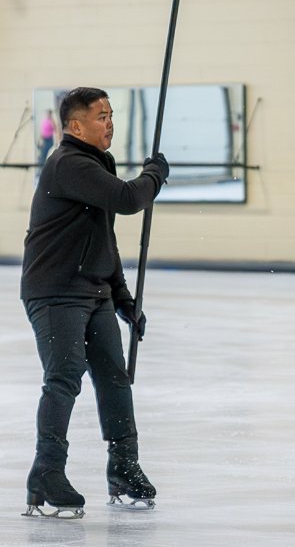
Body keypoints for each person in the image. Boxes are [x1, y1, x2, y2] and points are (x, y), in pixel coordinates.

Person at [21, 87, 170, 517]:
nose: (109, 122)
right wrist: (154, 176)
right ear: (75, 126)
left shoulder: (94, 165)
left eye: (111, 114)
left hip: (94, 291)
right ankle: (47, 474)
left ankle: (124, 468)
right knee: (65, 376)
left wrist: (123, 299)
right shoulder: (68, 164)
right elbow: (128, 200)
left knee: (114, 378)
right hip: (55, 291)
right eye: (100, 116)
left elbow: (104, 239)